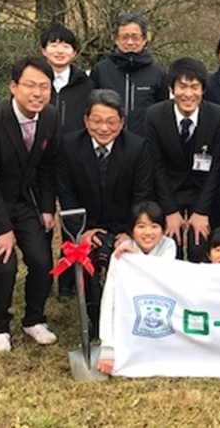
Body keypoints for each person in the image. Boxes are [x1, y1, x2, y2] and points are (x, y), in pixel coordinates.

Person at [0, 57, 61, 352]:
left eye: (44, 87)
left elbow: (48, 167)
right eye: (30, 85)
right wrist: (2, 229)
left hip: (23, 200)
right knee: (5, 265)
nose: (37, 93)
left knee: (42, 261)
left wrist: (46, 207)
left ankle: (34, 319)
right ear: (13, 87)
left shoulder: (51, 117)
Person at [56, 89, 152, 325]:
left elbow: (142, 195)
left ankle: (123, 314)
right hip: (86, 225)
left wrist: (130, 232)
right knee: (88, 257)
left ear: (122, 122)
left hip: (122, 225)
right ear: (86, 120)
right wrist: (83, 231)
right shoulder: (68, 146)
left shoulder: (137, 147)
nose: (104, 128)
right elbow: (66, 196)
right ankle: (93, 316)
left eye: (111, 122)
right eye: (97, 121)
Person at [145, 58, 220, 262]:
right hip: (168, 190)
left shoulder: (217, 115)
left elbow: (217, 166)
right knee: (168, 248)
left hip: (204, 191)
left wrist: (201, 212)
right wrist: (170, 211)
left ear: (203, 89)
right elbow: (156, 165)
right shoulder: (155, 115)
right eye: (182, 87)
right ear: (171, 88)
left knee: (199, 246)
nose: (188, 94)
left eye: (195, 87)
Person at [98, 201, 177, 375]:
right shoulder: (121, 253)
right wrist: (107, 346)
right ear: (131, 230)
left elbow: (161, 277)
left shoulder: (168, 245)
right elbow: (110, 298)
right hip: (130, 324)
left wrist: (136, 261)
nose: (148, 233)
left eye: (154, 226)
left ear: (163, 229)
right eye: (141, 226)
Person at [90, 12, 168, 135]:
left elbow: (163, 113)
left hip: (145, 144)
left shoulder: (157, 73)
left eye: (135, 37)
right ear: (116, 39)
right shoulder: (101, 70)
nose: (130, 42)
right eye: (125, 37)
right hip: (108, 140)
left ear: (144, 40)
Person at [40, 24, 95, 134]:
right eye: (54, 45)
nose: (60, 51)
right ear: (44, 50)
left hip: (75, 147)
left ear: (74, 53)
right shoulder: (33, 82)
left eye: (66, 46)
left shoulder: (85, 84)